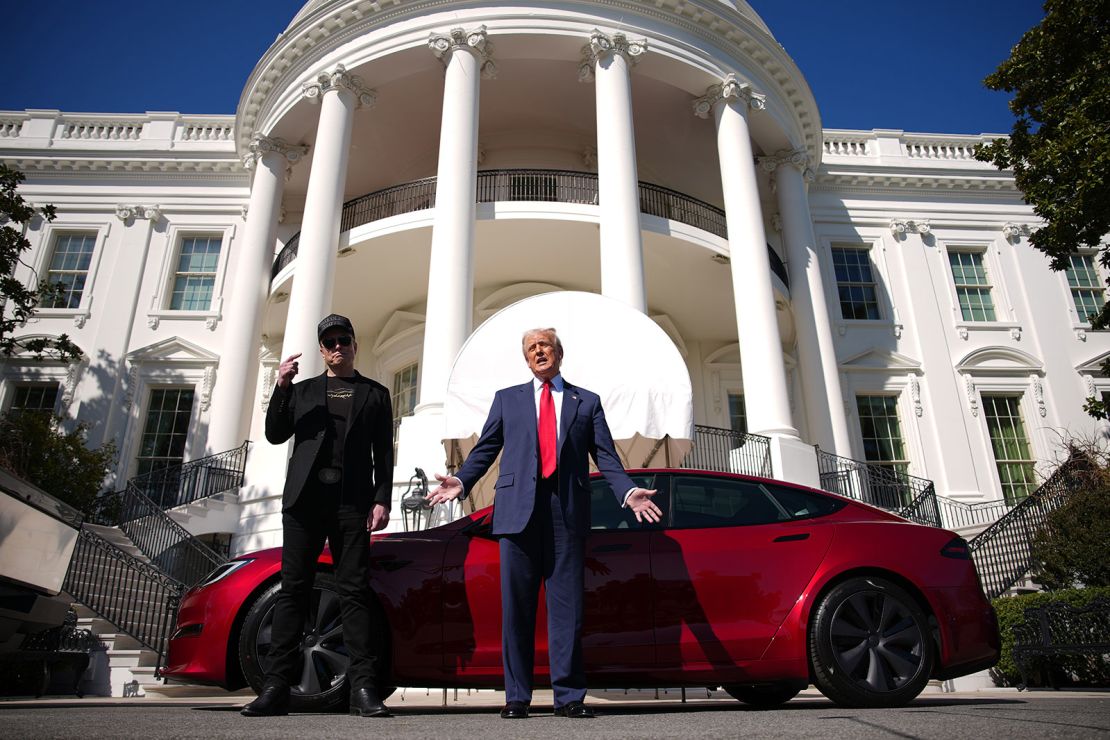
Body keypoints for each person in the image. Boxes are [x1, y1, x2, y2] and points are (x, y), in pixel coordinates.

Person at [428, 327, 662, 719]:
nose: (539, 352)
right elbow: (486, 447)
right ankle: (516, 697)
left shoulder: (586, 401)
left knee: (567, 609)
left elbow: (606, 456)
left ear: (559, 353)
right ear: (526, 358)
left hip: (565, 513)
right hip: (517, 512)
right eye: (532, 348)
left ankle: (569, 697)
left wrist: (626, 491)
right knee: (516, 609)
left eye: (546, 346)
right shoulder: (508, 400)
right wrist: (463, 480)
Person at [241, 314, 394, 718]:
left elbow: (384, 454)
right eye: (330, 342)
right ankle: (276, 687)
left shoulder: (375, 394)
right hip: (305, 503)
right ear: (322, 350)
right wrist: (282, 386)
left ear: (354, 345)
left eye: (345, 339)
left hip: (353, 504)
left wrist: (383, 499)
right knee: (294, 590)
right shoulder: (304, 391)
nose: (338, 347)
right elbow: (276, 433)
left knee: (354, 592)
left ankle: (363, 688)